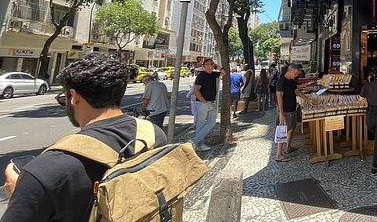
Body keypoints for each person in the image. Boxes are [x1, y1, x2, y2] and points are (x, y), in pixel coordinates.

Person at [1, 53, 167, 222]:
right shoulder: (153, 134)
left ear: (74, 96)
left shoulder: (45, 171)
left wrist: (23, 194)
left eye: (63, 97)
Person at [276, 63, 314, 162]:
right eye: (296, 73)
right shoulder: (282, 81)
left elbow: (296, 91)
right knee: (282, 130)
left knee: (292, 127)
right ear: (290, 71)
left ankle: (288, 147)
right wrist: (281, 112)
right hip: (285, 110)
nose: (297, 75)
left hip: (292, 109)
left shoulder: (292, 81)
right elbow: (279, 97)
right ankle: (279, 154)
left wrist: (307, 99)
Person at [190, 58, 225, 152]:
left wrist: (218, 67)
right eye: (210, 64)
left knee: (212, 122)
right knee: (200, 123)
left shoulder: (213, 74)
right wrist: (203, 101)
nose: (212, 65)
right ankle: (199, 144)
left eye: (213, 64)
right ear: (205, 66)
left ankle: (194, 142)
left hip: (211, 102)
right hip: (203, 103)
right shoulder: (201, 76)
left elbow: (224, 73)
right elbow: (196, 90)